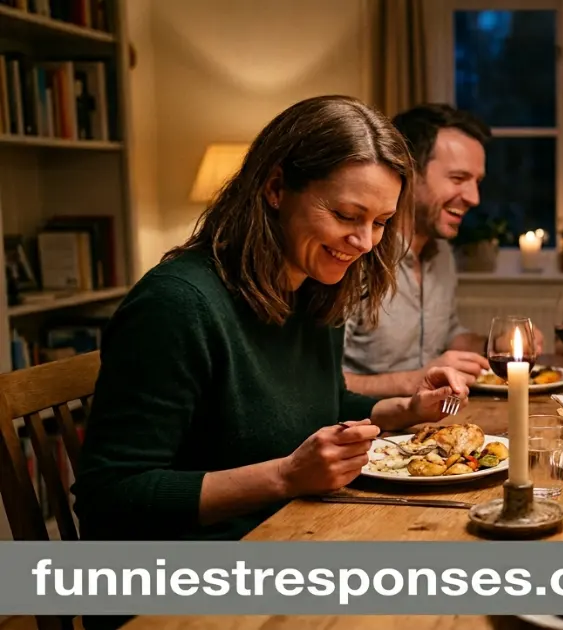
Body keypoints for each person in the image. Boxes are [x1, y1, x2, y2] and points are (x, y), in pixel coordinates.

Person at [73, 96, 469, 549]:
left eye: (380, 222)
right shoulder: (176, 305)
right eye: (345, 215)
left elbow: (321, 404)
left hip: (296, 532)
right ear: (276, 187)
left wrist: (407, 409)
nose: (363, 242)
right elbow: (109, 498)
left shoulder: (315, 287)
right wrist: (284, 476)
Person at [342, 103, 542, 398]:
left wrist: (494, 344)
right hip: (368, 431)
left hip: (431, 420)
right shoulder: (354, 254)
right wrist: (414, 381)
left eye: (477, 182)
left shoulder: (443, 253)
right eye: (458, 179)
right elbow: (318, 384)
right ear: (408, 171)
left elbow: (445, 337)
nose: (474, 198)